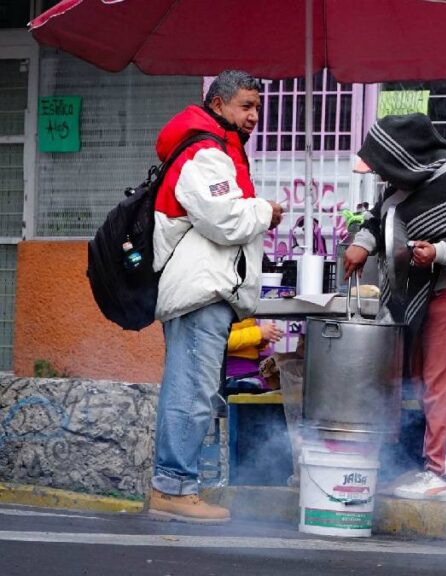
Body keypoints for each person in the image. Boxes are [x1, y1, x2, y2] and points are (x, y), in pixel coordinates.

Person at [148, 70, 284, 523]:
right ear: (218, 104)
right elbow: (224, 220)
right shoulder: (205, 152)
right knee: (190, 390)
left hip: (206, 291)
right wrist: (265, 210)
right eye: (245, 106)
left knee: (197, 389)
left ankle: (178, 486)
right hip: (198, 291)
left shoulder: (217, 149)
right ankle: (172, 487)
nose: (254, 116)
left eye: (257, 107)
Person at [344, 113, 446, 501]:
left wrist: (440, 252)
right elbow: (378, 217)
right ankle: (420, 466)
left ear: (404, 157)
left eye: (384, 168)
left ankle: (442, 474)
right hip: (417, 292)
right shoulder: (402, 184)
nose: (383, 178)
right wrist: (363, 243)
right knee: (414, 379)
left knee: (439, 383)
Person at [225, 318, 284, 389]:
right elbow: (218, 341)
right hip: (229, 365)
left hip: (249, 364)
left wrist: (261, 340)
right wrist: (259, 333)